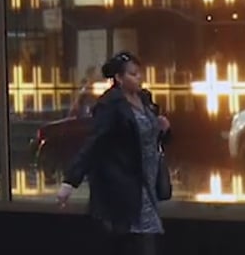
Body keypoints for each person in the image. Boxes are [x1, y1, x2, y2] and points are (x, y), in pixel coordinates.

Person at [55, 53, 172, 254]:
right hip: (125, 183)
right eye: (133, 74)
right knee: (139, 238)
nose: (139, 78)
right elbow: (95, 143)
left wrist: (163, 129)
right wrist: (70, 180)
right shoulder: (111, 105)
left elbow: (151, 138)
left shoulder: (144, 99)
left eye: (139, 73)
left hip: (148, 179)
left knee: (143, 237)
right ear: (119, 78)